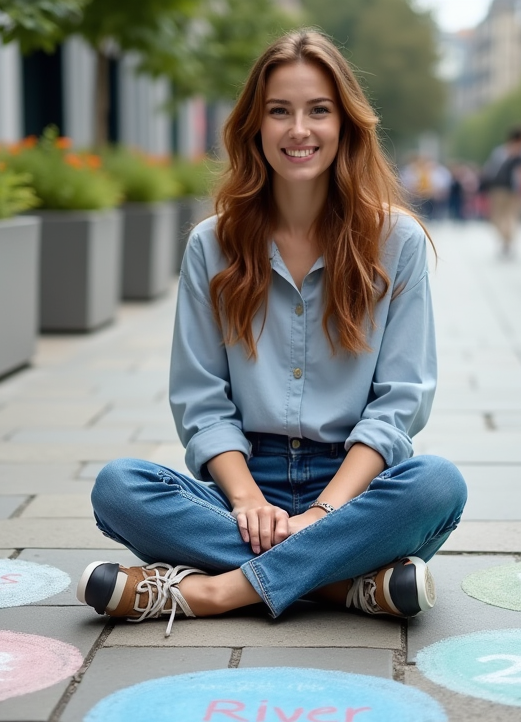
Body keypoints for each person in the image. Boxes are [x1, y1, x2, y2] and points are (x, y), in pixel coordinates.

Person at [76, 29, 468, 635]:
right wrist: (247, 500)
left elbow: (400, 403)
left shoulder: (399, 241)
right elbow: (202, 400)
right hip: (241, 488)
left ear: (346, 125)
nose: (298, 130)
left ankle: (210, 594)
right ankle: (346, 585)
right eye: (279, 111)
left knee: (436, 485)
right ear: (254, 127)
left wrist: (325, 512)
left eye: (318, 110)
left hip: (353, 486)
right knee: (120, 487)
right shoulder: (213, 243)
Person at [481, 126, 521, 257]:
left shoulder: (501, 152)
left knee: (508, 217)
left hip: (510, 191)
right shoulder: (505, 153)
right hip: (500, 189)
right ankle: (506, 239)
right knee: (501, 218)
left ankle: (507, 241)